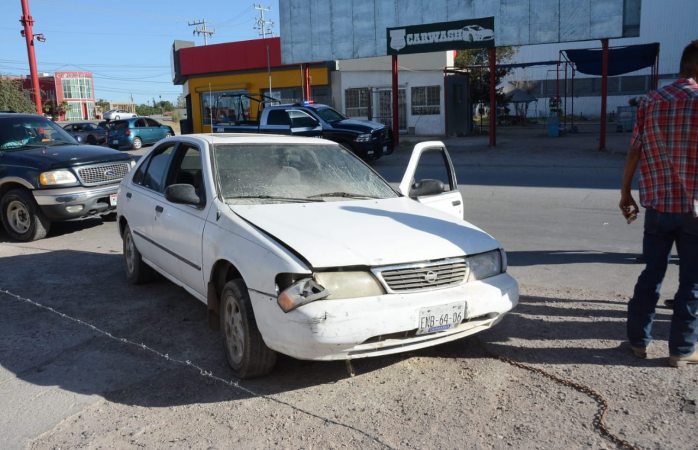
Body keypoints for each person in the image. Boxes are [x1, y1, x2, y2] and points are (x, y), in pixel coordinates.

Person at [620, 40, 698, 367]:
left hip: (657, 208)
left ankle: (638, 341)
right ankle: (681, 350)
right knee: (692, 282)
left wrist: (625, 194)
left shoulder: (651, 101)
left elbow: (635, 150)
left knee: (652, 273)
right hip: (694, 210)